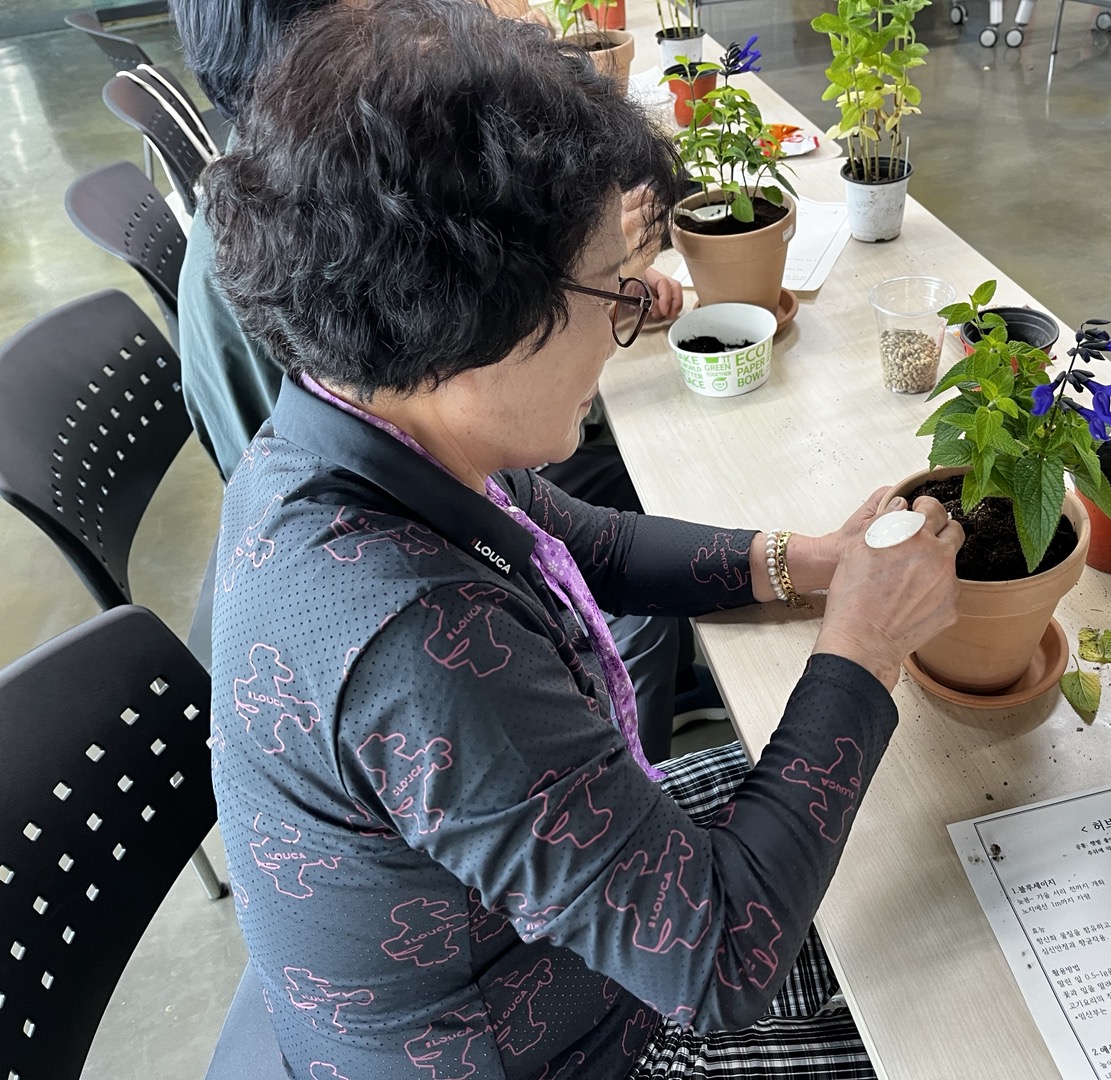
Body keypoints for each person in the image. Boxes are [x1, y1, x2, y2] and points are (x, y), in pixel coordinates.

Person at [206, 2, 965, 1077]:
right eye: (612, 289)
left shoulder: (351, 423)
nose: (629, 316)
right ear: (474, 313)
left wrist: (805, 562)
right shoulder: (414, 645)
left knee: (899, 826)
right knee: (961, 996)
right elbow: (722, 960)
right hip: (552, 1049)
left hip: (514, 958)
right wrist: (863, 649)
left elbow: (582, 542)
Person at [172, 0, 703, 762]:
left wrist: (585, 265)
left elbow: (556, 525)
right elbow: (703, 889)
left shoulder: (322, 215)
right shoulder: (421, 633)